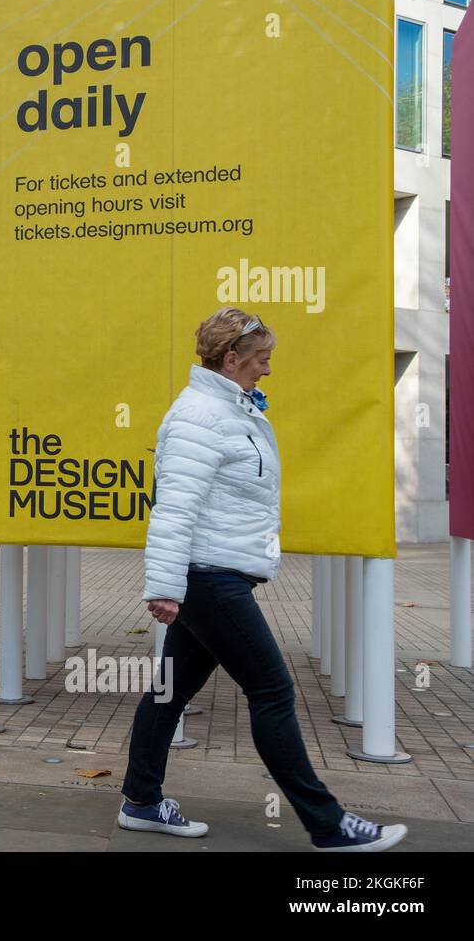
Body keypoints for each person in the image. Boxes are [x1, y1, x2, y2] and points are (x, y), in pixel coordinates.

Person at [118, 306, 406, 852]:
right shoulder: (200, 416)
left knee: (169, 690)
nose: (267, 370)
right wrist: (164, 587)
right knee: (272, 690)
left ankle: (141, 801)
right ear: (231, 359)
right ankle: (329, 825)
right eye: (261, 360)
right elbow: (174, 508)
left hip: (216, 572)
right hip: (209, 578)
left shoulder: (230, 409)